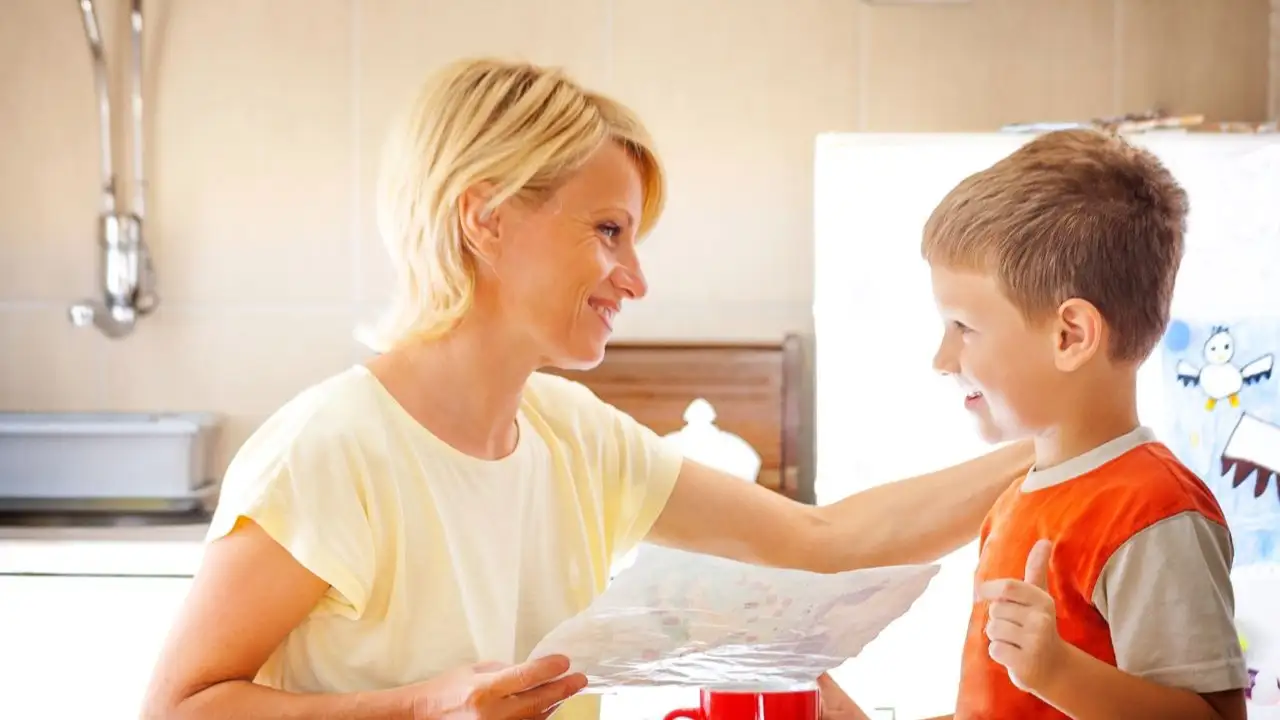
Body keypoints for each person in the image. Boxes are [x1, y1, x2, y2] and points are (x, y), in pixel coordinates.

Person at [139, 57, 1033, 720]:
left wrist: (1072, 441)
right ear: (484, 220)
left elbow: (820, 540)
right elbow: (179, 707)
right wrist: (423, 707)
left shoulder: (568, 431)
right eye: (609, 230)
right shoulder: (334, 450)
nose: (634, 278)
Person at [900, 129, 1248, 719]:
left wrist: (1056, 672)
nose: (941, 359)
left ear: (1071, 336)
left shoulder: (1152, 512)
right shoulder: (1017, 501)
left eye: (963, 326)